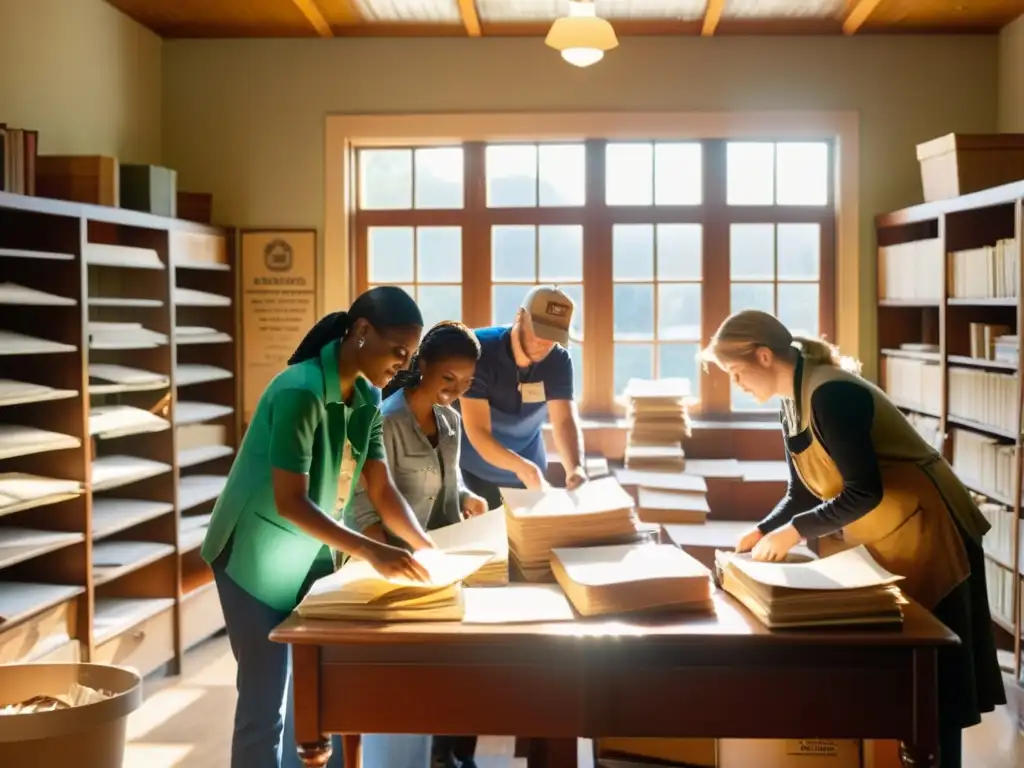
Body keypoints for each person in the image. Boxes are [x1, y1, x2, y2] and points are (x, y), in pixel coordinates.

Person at [701, 309, 1005, 768]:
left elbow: (864, 489)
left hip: (934, 533)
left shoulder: (832, 395)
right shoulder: (792, 402)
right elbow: (802, 490)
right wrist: (764, 530)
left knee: (937, 686)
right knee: (909, 682)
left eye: (736, 373)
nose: (736, 384)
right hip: (894, 534)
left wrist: (793, 532)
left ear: (763, 356)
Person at [201, 286, 437, 768]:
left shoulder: (369, 397)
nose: (403, 363)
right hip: (252, 556)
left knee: (314, 698)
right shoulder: (300, 391)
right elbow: (291, 502)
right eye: (398, 350)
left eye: (410, 355)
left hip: (308, 555)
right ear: (363, 332)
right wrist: (375, 552)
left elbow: (381, 486)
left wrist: (428, 546)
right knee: (265, 704)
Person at [346, 320, 488, 768]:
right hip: (401, 566)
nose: (455, 391)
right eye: (448, 379)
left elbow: (451, 479)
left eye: (466, 383)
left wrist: (466, 497)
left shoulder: (450, 421)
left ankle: (453, 753)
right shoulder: (385, 421)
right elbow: (363, 508)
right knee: (422, 678)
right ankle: (431, 754)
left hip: (446, 556)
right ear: (422, 365)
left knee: (473, 663)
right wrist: (384, 560)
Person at [458, 285, 587, 510]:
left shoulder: (558, 360)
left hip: (530, 469)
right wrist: (523, 468)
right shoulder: (477, 351)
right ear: (520, 316)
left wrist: (575, 467)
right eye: (540, 331)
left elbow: (564, 420)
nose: (545, 343)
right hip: (476, 468)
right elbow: (477, 431)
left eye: (555, 336)